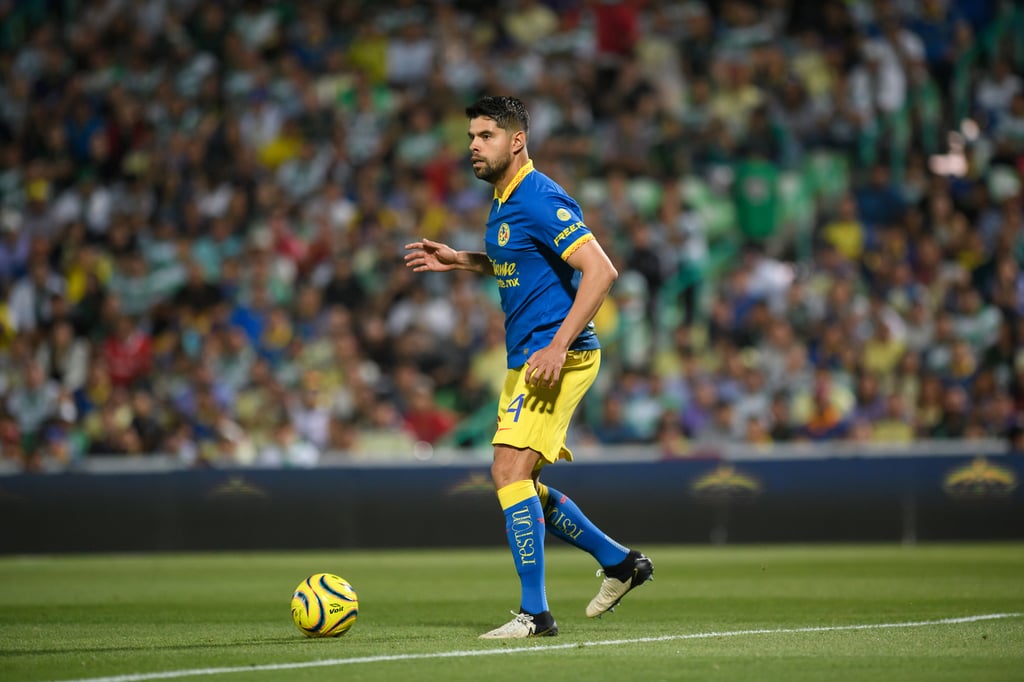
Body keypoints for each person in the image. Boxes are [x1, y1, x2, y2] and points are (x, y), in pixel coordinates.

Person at [404, 95, 653, 639]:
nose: (473, 145)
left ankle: (534, 614)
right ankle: (619, 562)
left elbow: (601, 271)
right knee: (522, 481)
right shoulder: (504, 200)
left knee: (507, 473)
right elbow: (519, 260)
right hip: (529, 359)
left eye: (485, 135)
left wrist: (559, 345)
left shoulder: (539, 197)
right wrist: (460, 259)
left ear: (517, 141)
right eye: (470, 136)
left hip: (556, 355)